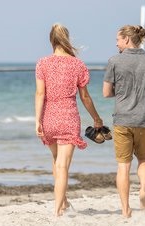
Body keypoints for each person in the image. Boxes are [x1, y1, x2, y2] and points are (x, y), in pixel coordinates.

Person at [35, 23, 104, 217]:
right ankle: (57, 210)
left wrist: (37, 121)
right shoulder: (77, 64)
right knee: (63, 165)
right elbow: (85, 97)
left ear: (51, 40)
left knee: (57, 161)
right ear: (67, 40)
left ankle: (63, 202)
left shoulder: (42, 63)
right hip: (68, 118)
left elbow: (40, 93)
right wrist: (96, 118)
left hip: (48, 117)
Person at [102, 24, 145, 218]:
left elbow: (106, 93)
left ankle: (125, 210)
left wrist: (121, 93)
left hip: (122, 119)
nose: (116, 43)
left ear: (127, 39)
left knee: (123, 165)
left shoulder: (114, 61)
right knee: (144, 159)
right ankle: (144, 190)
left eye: (118, 40)